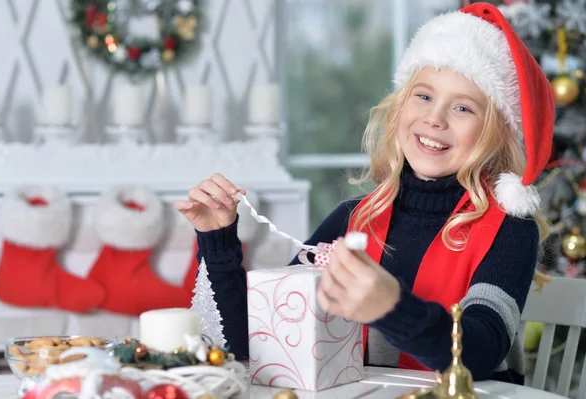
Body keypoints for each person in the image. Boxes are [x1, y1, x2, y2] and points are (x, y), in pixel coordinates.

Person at [175, 2, 555, 385]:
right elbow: (257, 342)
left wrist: (391, 307)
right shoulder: (352, 220)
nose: (434, 119)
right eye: (423, 96)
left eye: (462, 107)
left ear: (496, 134)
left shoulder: (508, 230)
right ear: (399, 106)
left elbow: (479, 352)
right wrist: (218, 238)